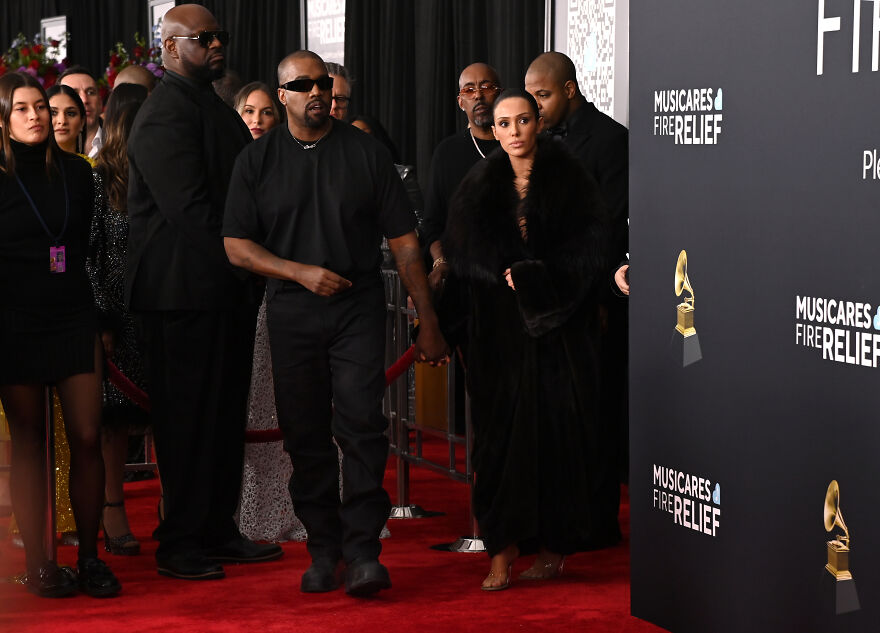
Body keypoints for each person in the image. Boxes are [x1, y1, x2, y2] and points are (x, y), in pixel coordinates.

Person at [223, 50, 448, 597]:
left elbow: (405, 243)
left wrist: (427, 317)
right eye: (303, 85)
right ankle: (323, 548)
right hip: (290, 307)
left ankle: (363, 549)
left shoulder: (366, 152)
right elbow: (236, 246)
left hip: (357, 304)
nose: (317, 92)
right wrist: (297, 272)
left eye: (323, 82)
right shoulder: (256, 160)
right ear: (283, 95)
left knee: (362, 423)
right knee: (303, 431)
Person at [125, 3, 281, 581]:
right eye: (204, 37)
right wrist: (249, 261)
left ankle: (217, 528)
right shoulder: (163, 114)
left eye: (221, 36)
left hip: (222, 289)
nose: (217, 45)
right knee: (188, 420)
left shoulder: (213, 107)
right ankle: (181, 541)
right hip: (181, 294)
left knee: (222, 416)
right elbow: (191, 212)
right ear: (169, 47)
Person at [442, 89, 615, 591]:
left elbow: (591, 255)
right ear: (493, 130)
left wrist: (537, 278)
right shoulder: (476, 186)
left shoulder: (572, 180)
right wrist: (448, 328)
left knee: (560, 443)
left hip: (561, 340)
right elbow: (461, 261)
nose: (514, 131)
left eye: (523, 120)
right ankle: (502, 550)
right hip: (497, 341)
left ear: (538, 122)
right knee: (497, 449)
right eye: (504, 123)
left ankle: (555, 549)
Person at [0, 71, 121, 598]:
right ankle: (40, 564)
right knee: (29, 443)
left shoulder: (78, 173)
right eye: (22, 109)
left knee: (87, 436)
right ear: (4, 120)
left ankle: (90, 558)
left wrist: (104, 318)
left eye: (41, 108)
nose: (36, 116)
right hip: (14, 322)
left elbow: (93, 250)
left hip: (73, 316)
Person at [526, 50, 630, 493]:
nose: (535, 106)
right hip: (548, 296)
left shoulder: (610, 139)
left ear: (569, 90)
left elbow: (612, 224)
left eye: (543, 95)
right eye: (531, 96)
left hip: (594, 294)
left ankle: (597, 503)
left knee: (595, 405)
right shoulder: (540, 141)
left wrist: (599, 295)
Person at [90, 88, 150, 556]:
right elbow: (87, 255)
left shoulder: (160, 175)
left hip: (156, 309)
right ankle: (113, 508)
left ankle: (173, 507)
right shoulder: (98, 179)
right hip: (114, 312)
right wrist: (102, 320)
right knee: (112, 421)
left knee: (165, 415)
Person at [421, 63, 502, 293]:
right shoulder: (447, 152)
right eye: (469, 90)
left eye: (486, 87)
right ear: (460, 102)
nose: (478, 95)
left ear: (500, 94)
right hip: (463, 282)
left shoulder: (517, 146)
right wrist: (440, 262)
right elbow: (432, 224)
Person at [58, 66, 103, 158]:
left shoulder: (122, 140)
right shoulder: (44, 149)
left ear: (100, 102)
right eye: (74, 94)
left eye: (90, 92)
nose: (84, 100)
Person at [46, 85, 87, 158]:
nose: (62, 121)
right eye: (53, 113)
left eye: (70, 113)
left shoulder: (92, 165)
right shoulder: (27, 164)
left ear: (82, 122)